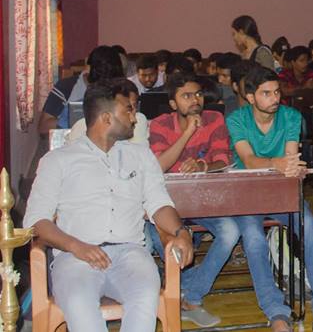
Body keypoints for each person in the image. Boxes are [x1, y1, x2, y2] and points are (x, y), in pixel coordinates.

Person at [24, 81, 195, 332]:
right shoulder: (57, 160)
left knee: (144, 296)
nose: (134, 118)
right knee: (80, 304)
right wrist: (76, 246)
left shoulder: (141, 156)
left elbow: (159, 204)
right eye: (128, 110)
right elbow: (36, 221)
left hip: (130, 254)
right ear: (106, 118)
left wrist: (181, 232)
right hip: (74, 257)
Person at [227, 66, 313, 332]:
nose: (275, 98)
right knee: (253, 239)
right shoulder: (236, 119)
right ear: (250, 97)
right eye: (266, 93)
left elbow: (290, 158)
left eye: (277, 92)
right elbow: (249, 160)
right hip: (247, 192)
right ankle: (275, 311)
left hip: (282, 189)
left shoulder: (291, 116)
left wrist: (291, 168)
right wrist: (277, 164)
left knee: (310, 228)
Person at [148, 73, 237, 327]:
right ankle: (179, 290)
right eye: (186, 96)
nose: (195, 100)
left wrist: (203, 165)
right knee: (159, 239)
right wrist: (188, 132)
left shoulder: (214, 118)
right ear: (173, 103)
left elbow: (223, 159)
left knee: (231, 231)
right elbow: (159, 165)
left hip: (204, 199)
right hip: (168, 203)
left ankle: (190, 296)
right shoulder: (160, 124)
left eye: (198, 94)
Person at [39, 45, 125, 135]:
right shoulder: (67, 86)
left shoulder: (120, 89)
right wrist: (72, 119)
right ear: (89, 68)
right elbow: (43, 126)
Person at [66, 78, 150, 146]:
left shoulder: (138, 120)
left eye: (134, 106)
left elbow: (139, 155)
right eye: (128, 108)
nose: (132, 115)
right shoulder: (80, 126)